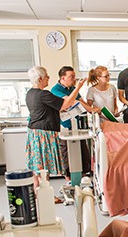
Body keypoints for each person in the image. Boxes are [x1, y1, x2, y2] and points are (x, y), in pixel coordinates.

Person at [25, 65, 86, 201]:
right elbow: (66, 104)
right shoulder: (43, 94)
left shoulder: (30, 93)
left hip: (34, 132)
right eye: (47, 76)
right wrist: (78, 87)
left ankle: (36, 192)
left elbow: (48, 109)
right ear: (40, 79)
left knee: (37, 165)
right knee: (43, 166)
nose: (49, 78)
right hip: (43, 133)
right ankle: (45, 196)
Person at [50, 65, 97, 182]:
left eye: (74, 76)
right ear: (62, 78)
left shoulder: (72, 88)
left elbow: (81, 102)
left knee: (82, 152)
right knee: (67, 153)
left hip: (77, 125)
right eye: (71, 77)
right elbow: (71, 102)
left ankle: (83, 177)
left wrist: (91, 108)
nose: (74, 79)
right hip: (64, 127)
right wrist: (90, 109)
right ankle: (69, 179)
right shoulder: (56, 90)